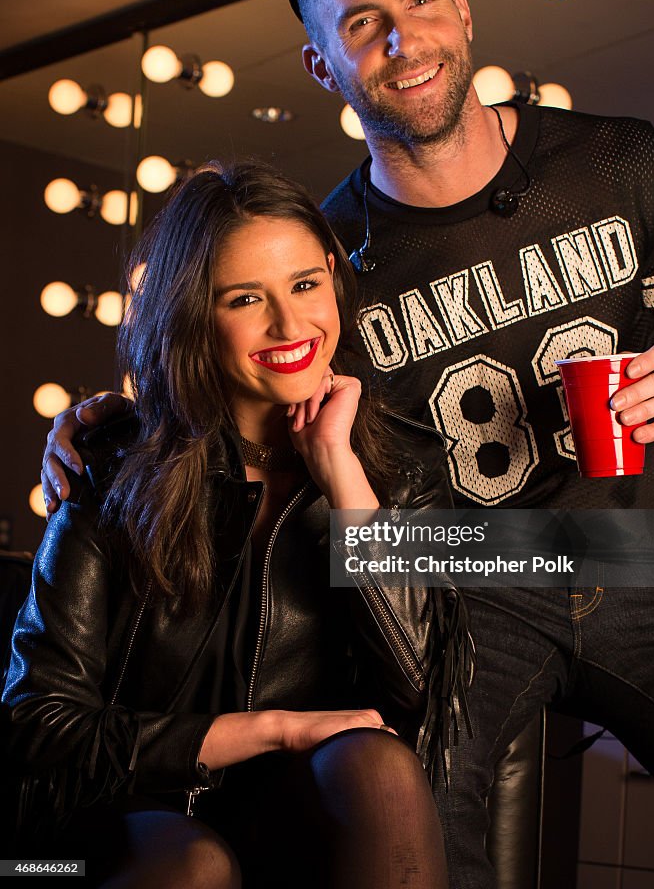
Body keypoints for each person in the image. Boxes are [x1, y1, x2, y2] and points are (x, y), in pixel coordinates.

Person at [40, 0, 654, 888]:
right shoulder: (330, 264)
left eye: (419, 1)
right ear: (323, 64)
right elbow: (233, 387)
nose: (402, 36)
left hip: (643, 554)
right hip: (468, 587)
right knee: (405, 803)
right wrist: (106, 430)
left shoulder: (620, 162)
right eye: (362, 22)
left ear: (462, 12)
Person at [3, 159, 467, 888]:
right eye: (246, 298)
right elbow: (37, 728)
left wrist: (342, 477)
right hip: (80, 838)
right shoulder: (111, 467)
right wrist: (273, 731)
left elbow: (415, 689)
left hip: (283, 817)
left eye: (306, 285)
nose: (290, 324)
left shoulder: (398, 472)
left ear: (333, 280)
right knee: (194, 862)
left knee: (379, 768)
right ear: (194, 314)